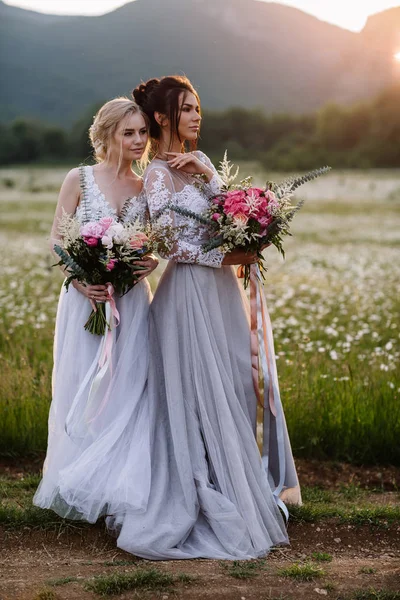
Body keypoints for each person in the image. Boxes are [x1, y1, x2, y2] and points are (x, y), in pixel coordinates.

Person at [109, 76, 301, 560]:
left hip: (220, 294)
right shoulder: (155, 175)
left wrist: (211, 176)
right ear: (161, 118)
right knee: (198, 389)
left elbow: (225, 213)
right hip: (189, 294)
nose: (197, 116)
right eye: (187, 109)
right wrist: (231, 257)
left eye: (198, 108)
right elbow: (173, 245)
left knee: (235, 380)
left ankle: (232, 480)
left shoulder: (202, 163)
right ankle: (195, 489)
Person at [33, 98, 158, 523]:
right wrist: (79, 277)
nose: (139, 141)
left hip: (131, 304)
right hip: (86, 301)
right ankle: (81, 482)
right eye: (129, 132)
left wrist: (151, 261)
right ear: (107, 134)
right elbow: (56, 236)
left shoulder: (146, 188)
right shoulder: (79, 178)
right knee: (83, 390)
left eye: (143, 132)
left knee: (127, 392)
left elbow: (153, 243)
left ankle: (118, 487)